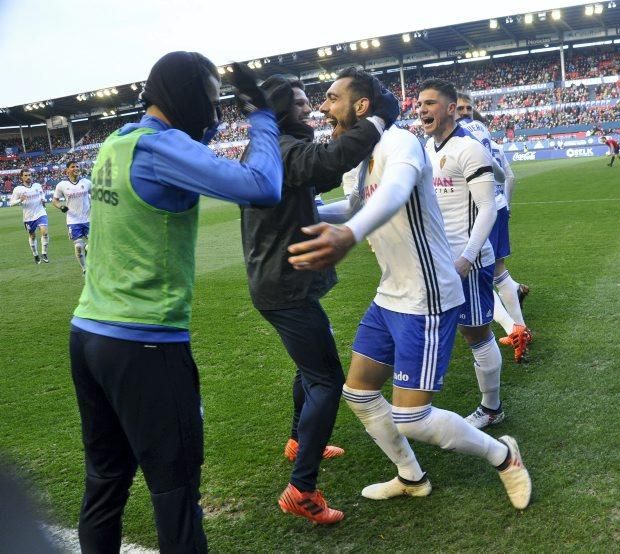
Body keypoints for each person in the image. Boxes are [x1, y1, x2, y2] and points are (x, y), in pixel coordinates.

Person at [69, 52, 287, 553]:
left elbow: (191, 148)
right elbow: (263, 186)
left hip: (89, 334)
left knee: (105, 482)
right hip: (144, 344)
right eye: (209, 102)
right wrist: (261, 118)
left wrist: (223, 123)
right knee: (175, 493)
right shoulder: (159, 149)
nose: (213, 116)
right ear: (186, 95)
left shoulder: (118, 142)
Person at [287, 68, 531, 510]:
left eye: (330, 97)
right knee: (358, 393)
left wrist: (351, 233)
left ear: (360, 106)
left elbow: (395, 192)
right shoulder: (356, 159)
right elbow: (359, 204)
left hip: (427, 295)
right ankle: (411, 476)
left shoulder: (398, 142)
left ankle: (503, 455)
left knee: (412, 417)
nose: (322, 107)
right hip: (390, 293)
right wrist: (312, 216)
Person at [240, 75, 399, 524]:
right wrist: (380, 118)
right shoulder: (279, 149)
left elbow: (325, 168)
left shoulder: (280, 147)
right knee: (327, 380)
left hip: (284, 285)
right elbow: (333, 157)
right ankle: (301, 488)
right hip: (284, 289)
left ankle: (297, 439)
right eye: (299, 102)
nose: (310, 107)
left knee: (310, 366)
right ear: (277, 111)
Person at [421, 81, 505, 429]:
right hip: (438, 258)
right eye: (420, 103)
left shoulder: (468, 149)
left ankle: (491, 408)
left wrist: (468, 257)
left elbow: (488, 208)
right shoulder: (426, 146)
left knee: (476, 333)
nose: (422, 109)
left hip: (467, 260)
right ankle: (417, 402)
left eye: (431, 104)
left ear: (452, 109)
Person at [456, 94, 531, 363]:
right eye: (461, 108)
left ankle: (513, 329)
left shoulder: (462, 141)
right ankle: (518, 322)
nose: (464, 112)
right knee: (497, 271)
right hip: (496, 208)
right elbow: (506, 175)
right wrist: (506, 205)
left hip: (478, 212)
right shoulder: (490, 141)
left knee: (480, 276)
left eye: (467, 108)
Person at [52, 160, 92, 275]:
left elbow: (95, 196)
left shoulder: (87, 182)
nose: (76, 168)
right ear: (67, 170)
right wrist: (60, 206)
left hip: (88, 219)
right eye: (73, 167)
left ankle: (87, 248)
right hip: (73, 220)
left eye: (77, 166)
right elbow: (55, 201)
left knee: (94, 244)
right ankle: (85, 269)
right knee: (78, 246)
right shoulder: (62, 185)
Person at [9, 168, 49, 264]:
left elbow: (42, 195)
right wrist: (20, 200)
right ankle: (35, 254)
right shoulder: (18, 189)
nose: (28, 177)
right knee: (32, 235)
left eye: (29, 175)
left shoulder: (37, 186)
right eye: (26, 175)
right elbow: (11, 203)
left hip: (40, 212)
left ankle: (44, 253)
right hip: (28, 217)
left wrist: (43, 200)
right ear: (21, 177)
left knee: (45, 232)